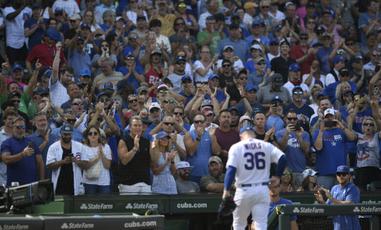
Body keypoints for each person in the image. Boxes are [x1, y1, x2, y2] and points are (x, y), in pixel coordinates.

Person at [222, 126, 287, 230]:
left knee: (239, 224)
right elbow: (283, 158)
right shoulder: (266, 145)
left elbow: (231, 170)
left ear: (241, 136)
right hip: (262, 190)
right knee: (261, 224)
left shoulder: (236, 147)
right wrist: (278, 176)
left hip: (243, 190)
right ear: (254, 134)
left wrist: (226, 190)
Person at [1, 116, 45, 186]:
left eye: (23, 127)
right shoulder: (7, 143)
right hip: (14, 186)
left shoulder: (31, 142)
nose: (21, 130)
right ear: (12, 127)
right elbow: (6, 159)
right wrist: (23, 154)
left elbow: (40, 163)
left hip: (31, 185)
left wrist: (42, 181)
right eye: (18, 127)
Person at [314, 165, 361, 230]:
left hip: (351, 227)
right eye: (339, 174)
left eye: (344, 174)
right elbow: (329, 209)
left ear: (349, 176)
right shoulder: (334, 188)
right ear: (336, 176)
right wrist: (322, 201)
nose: (341, 176)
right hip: (337, 227)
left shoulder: (353, 188)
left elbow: (349, 205)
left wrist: (331, 198)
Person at [46, 123, 87, 195]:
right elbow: (49, 165)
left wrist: (76, 161)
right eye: (65, 134)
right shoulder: (53, 147)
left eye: (69, 134)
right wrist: (63, 162)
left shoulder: (79, 146)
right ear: (60, 134)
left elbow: (86, 165)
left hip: (75, 183)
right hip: (59, 184)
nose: (67, 136)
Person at [116, 116, 152, 193]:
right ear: (129, 127)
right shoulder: (123, 141)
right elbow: (124, 161)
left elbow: (151, 161)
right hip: (128, 184)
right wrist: (135, 148)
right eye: (135, 125)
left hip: (144, 183)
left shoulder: (146, 142)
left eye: (139, 126)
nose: (138, 128)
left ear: (143, 128)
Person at [81, 126, 112, 194]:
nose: (93, 135)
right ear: (87, 136)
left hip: (104, 182)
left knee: (105, 204)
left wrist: (102, 153)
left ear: (99, 135)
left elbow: (107, 166)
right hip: (89, 182)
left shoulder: (106, 147)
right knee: (89, 204)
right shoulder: (83, 147)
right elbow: (85, 166)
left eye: (95, 133)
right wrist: (97, 158)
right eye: (90, 133)